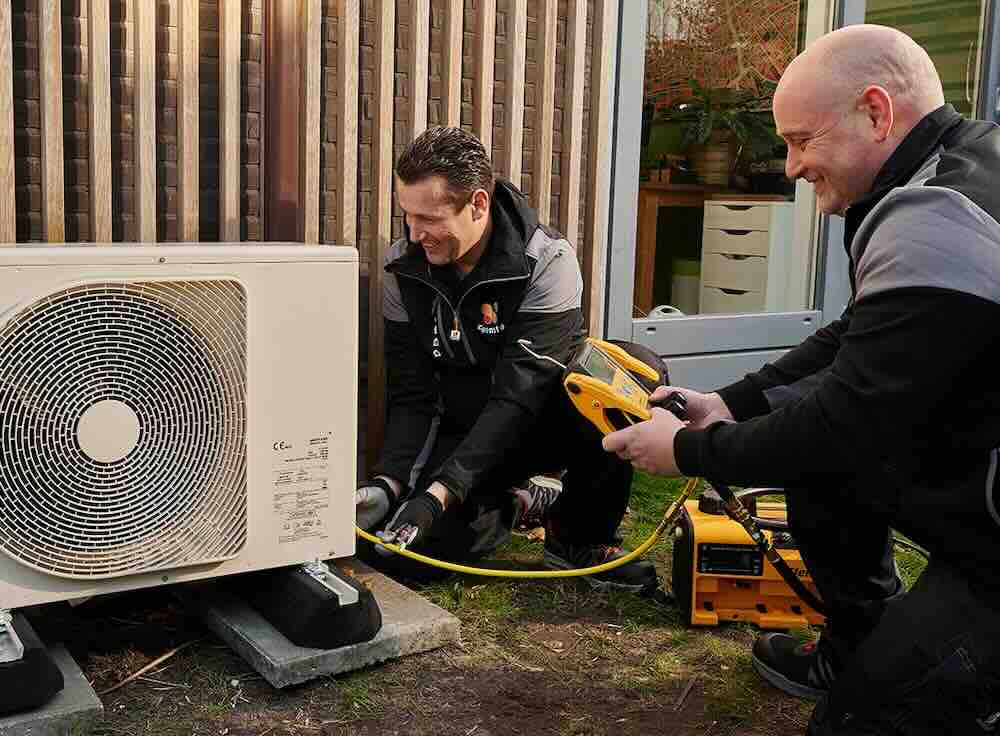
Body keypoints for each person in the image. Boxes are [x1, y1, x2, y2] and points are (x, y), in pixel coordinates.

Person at [604, 24, 1000, 735]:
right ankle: (859, 647)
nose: (788, 167)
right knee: (812, 453)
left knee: (862, 723)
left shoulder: (934, 217)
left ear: (876, 113)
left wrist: (686, 452)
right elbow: (854, 334)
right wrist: (730, 402)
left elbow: (841, 430)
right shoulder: (959, 163)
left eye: (801, 140)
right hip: (977, 469)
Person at [355, 126, 661, 592]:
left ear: (477, 204)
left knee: (631, 371)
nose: (415, 235)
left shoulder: (547, 261)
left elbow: (518, 397)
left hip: (540, 417)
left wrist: (440, 493)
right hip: (465, 429)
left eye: (429, 219)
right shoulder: (403, 269)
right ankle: (521, 502)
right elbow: (412, 393)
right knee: (415, 558)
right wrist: (391, 483)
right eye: (408, 217)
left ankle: (579, 537)